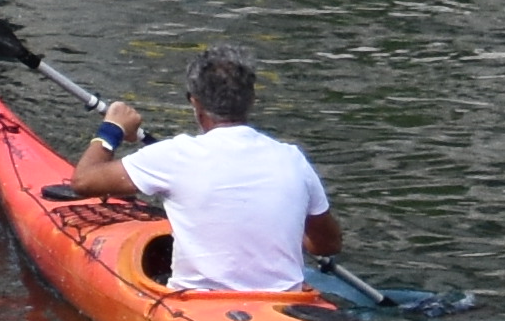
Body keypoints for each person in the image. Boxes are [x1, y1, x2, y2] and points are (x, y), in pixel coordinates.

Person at [82, 48, 347, 297]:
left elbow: (84, 180)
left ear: (195, 103)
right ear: (251, 100)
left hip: (199, 305)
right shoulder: (293, 159)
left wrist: (113, 127)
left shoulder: (175, 155)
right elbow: (327, 245)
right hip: (284, 303)